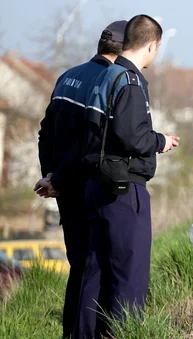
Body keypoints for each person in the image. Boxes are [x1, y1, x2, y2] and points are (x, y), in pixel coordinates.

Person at [73, 14, 180, 338]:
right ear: (151, 45)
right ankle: (124, 333)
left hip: (95, 185)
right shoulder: (129, 82)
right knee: (129, 274)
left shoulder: (105, 77)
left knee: (94, 271)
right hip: (122, 188)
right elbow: (132, 135)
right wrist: (161, 141)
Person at [35, 20, 127, 338]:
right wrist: (60, 178)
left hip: (61, 186)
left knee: (79, 265)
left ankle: (71, 332)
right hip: (86, 185)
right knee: (95, 267)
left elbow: (45, 133)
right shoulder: (108, 80)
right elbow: (87, 144)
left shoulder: (67, 77)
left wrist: (50, 176)